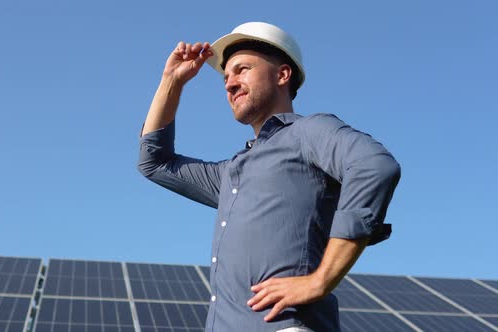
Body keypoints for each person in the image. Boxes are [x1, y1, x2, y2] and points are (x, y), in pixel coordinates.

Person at [137, 22, 401, 332]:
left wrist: (321, 280)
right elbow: (154, 163)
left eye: (242, 69)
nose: (229, 84)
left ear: (282, 75)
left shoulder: (308, 132)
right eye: (226, 77)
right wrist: (172, 81)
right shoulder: (232, 172)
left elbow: (373, 165)